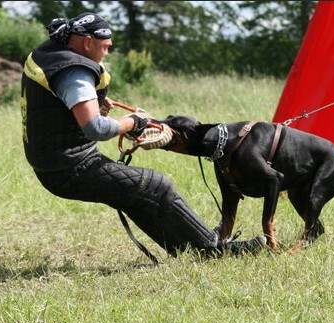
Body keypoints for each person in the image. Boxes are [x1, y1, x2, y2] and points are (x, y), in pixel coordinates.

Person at [21, 12, 266, 259]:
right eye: (105, 47)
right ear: (87, 43)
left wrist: (95, 104)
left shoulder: (51, 53)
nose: (107, 53)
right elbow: (95, 128)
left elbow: (54, 107)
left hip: (52, 162)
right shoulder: (75, 73)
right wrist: (133, 122)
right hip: (69, 167)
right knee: (157, 185)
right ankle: (215, 249)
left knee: (137, 194)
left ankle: (187, 249)